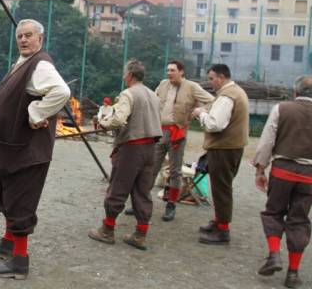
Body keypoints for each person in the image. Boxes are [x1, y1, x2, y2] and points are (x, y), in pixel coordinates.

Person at [0, 19, 70, 279]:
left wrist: (36, 112)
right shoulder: (23, 62)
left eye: (28, 35)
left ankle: (19, 262)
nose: (23, 40)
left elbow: (61, 91)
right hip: (13, 149)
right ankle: (8, 243)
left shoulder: (41, 63)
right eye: (19, 36)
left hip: (27, 151)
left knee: (21, 203)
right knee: (8, 196)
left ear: (40, 39)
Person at [88, 59, 162, 251]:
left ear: (129, 74)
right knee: (142, 191)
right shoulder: (153, 95)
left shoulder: (128, 94)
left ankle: (107, 230)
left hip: (131, 148)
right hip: (150, 149)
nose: (123, 77)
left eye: (124, 73)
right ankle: (140, 234)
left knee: (118, 188)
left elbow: (119, 119)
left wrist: (103, 124)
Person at [253, 76, 312, 289]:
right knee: (299, 220)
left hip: (283, 171)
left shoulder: (282, 108)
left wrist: (261, 169)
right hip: (309, 176)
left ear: (295, 92)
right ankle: (293, 273)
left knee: (273, 213)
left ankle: (274, 255)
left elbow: (267, 140)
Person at [149, 60, 213, 221]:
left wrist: (199, 111)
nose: (169, 73)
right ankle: (142, 201)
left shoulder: (192, 87)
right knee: (151, 167)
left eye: (172, 70)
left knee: (175, 171)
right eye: (168, 70)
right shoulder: (163, 84)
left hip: (178, 133)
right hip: (160, 131)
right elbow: (152, 100)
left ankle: (171, 205)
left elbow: (212, 101)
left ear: (181, 72)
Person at [192, 64, 249, 245]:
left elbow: (215, 124)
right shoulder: (237, 91)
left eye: (211, 78)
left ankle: (223, 231)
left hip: (224, 149)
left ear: (221, 77)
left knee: (221, 188)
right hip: (232, 147)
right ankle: (218, 221)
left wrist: (200, 113)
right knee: (221, 187)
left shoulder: (227, 96)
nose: (210, 83)